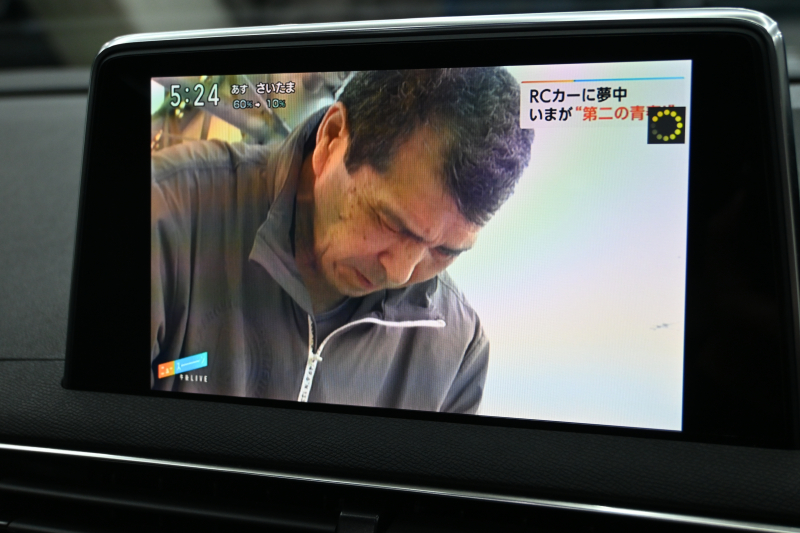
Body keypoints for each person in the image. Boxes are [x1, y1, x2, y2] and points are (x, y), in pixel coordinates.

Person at [151, 68, 534, 413]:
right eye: (390, 222)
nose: (400, 273)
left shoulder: (456, 353)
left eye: (445, 251)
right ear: (332, 138)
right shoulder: (169, 214)